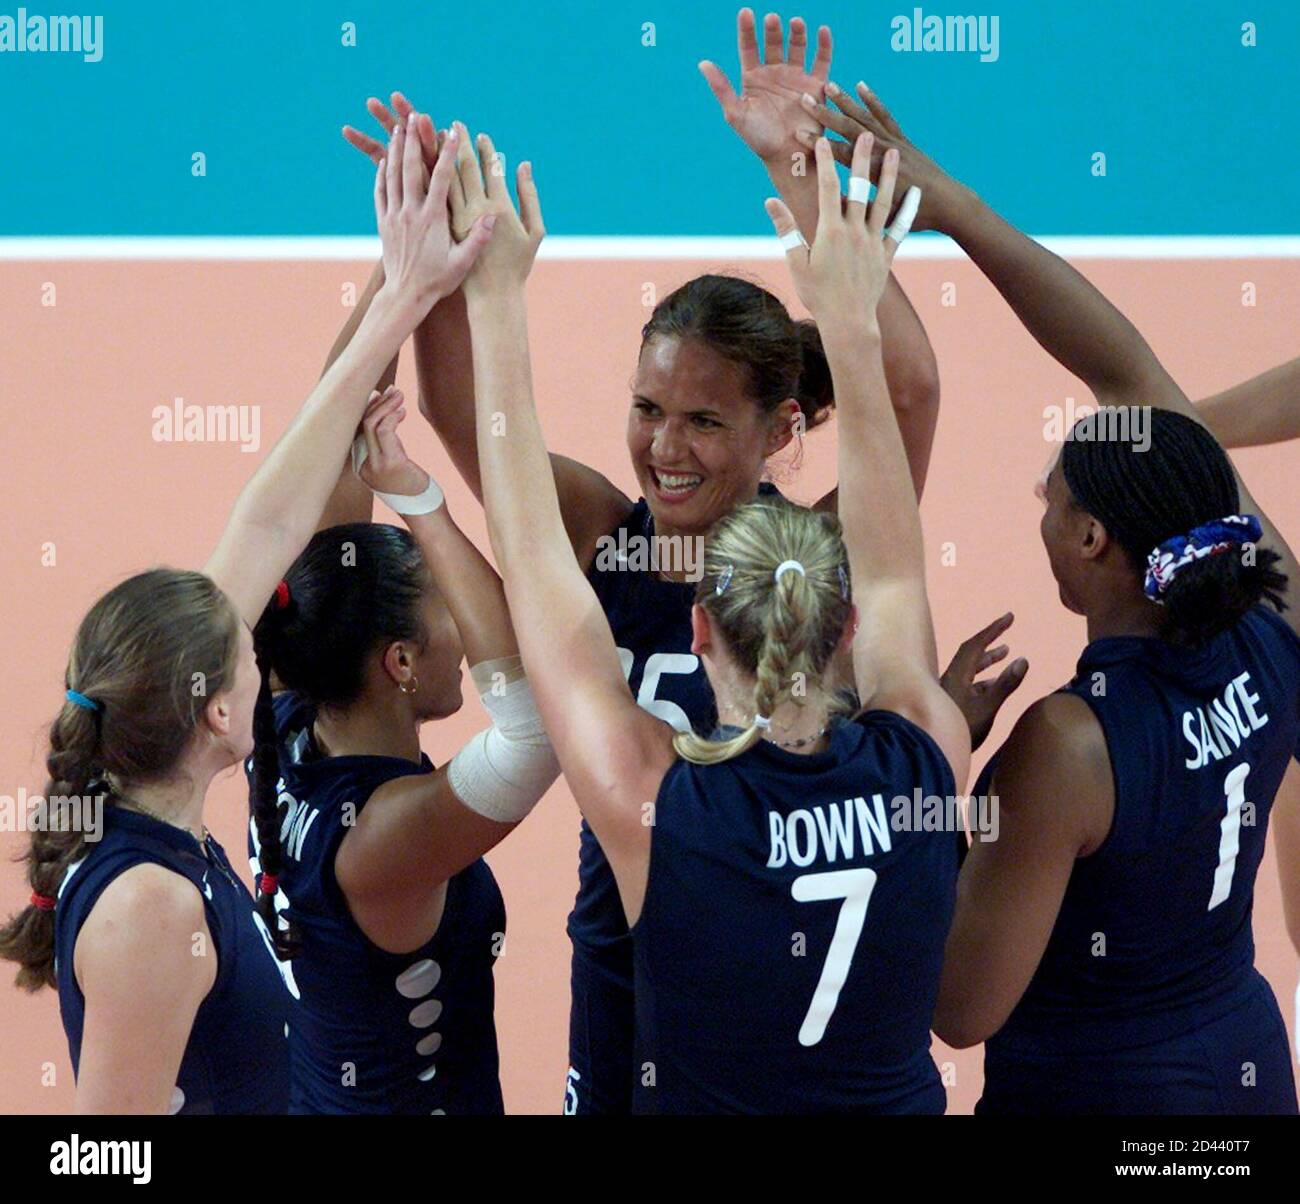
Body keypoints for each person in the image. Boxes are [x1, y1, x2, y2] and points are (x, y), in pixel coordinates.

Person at [339, 12, 1014, 1113]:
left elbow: (907, 396)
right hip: (625, 969)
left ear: (779, 429)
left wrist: (794, 171)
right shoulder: (612, 532)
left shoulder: (815, 557)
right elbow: (465, 419)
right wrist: (445, 261)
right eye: (647, 408)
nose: (665, 446)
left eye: (703, 420)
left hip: (715, 935)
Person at [447, 117, 971, 1112]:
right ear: (846, 627)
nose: (666, 444)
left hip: (664, 979)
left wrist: (493, 295)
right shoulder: (925, 749)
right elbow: (896, 574)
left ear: (698, 630)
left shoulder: (657, 804)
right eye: (651, 410)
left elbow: (532, 555)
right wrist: (847, 312)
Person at [803, 80, 1300, 1113]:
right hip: (1243, 1062)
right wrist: (957, 209)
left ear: (1088, 539)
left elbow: (961, 1005)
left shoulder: (1066, 745)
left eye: (1052, 498)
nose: (1037, 507)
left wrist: (936, 767)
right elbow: (1123, 367)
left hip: (1104, 1095)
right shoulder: (1271, 618)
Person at [0, 112, 492, 1112]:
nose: (266, 638)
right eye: (246, 649)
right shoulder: (149, 906)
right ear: (217, 710)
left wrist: (401, 288)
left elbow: (274, 514)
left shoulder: (164, 814)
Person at [246, 377, 558, 1114]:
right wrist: (421, 502)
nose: (469, 632)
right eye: (450, 608)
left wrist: (392, 309)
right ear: (402, 662)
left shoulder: (286, 716)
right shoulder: (379, 839)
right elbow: (534, 733)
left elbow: (335, 439)